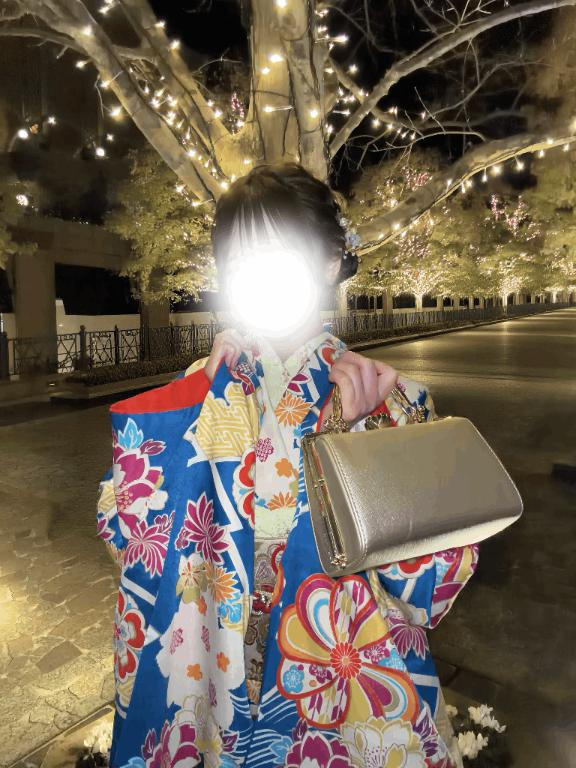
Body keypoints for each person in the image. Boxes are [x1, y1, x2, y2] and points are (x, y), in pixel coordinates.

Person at [96, 162, 478, 768]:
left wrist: (361, 446)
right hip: (210, 672)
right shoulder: (197, 388)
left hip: (334, 687)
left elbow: (429, 585)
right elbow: (125, 536)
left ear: (329, 263)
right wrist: (186, 415)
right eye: (242, 263)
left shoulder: (392, 400)